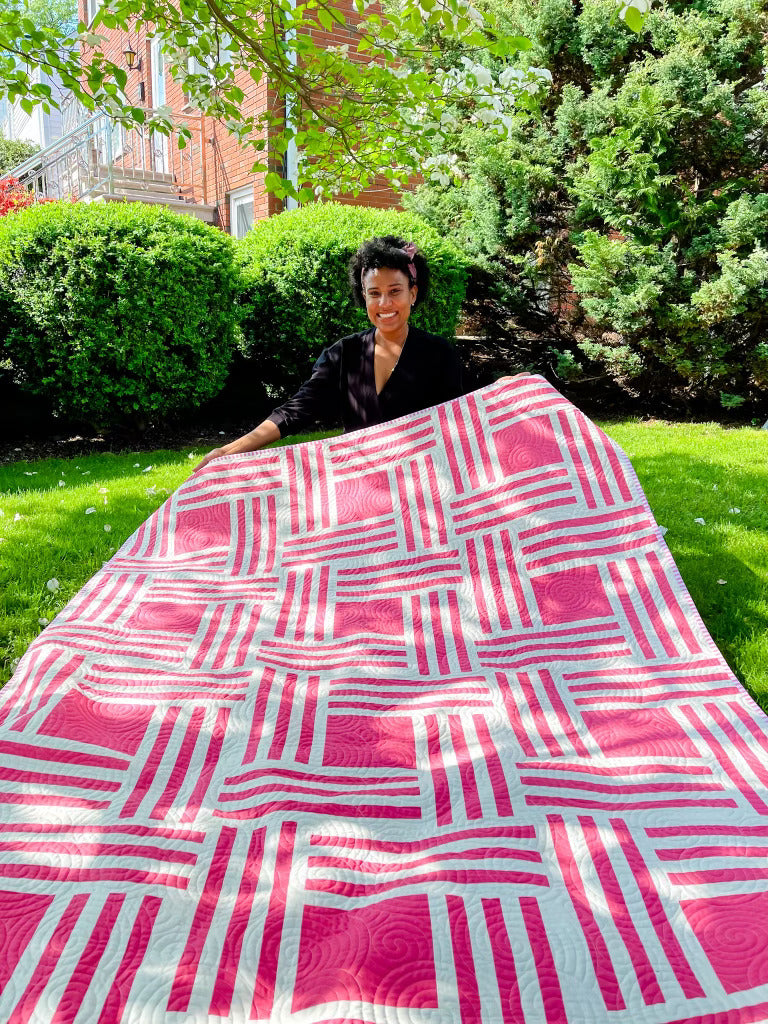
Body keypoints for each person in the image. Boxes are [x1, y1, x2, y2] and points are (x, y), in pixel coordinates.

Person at [193, 235, 465, 472]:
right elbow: (296, 411)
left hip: (421, 486)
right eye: (374, 293)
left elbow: (461, 421)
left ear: (413, 293)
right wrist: (227, 451)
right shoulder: (344, 354)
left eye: (395, 291)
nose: (384, 303)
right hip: (359, 485)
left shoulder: (439, 354)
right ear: (364, 297)